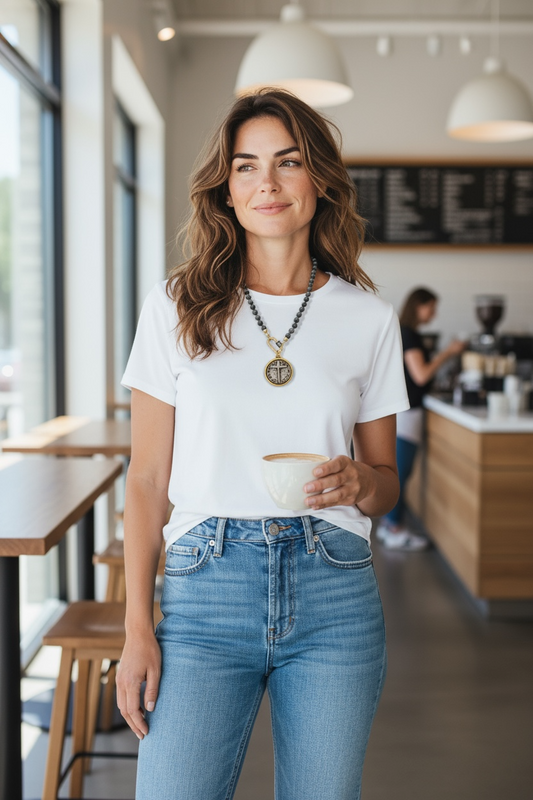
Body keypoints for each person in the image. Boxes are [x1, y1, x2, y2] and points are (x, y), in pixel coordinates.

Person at [116, 88, 410, 800]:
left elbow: (386, 481)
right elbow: (147, 479)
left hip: (333, 588)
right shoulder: (174, 306)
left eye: (287, 162)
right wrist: (135, 630)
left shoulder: (367, 319)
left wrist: (357, 484)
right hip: (204, 590)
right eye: (245, 167)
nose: (266, 184)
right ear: (225, 188)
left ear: (320, 182)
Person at [377, 287, 465, 551]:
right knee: (401, 473)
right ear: (418, 306)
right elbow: (421, 375)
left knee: (400, 471)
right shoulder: (410, 335)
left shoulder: (405, 332)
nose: (434, 313)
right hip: (407, 414)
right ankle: (394, 529)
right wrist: (448, 352)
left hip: (404, 413)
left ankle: (389, 525)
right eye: (431, 307)